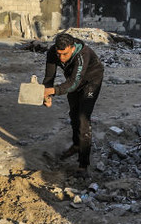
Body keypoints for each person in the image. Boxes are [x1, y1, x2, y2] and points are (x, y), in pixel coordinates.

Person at [42, 32, 104, 176]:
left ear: (71, 47)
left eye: (65, 54)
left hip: (91, 81)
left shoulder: (83, 54)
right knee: (73, 114)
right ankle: (77, 145)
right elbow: (49, 76)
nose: (61, 58)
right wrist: (47, 94)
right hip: (73, 81)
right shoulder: (53, 52)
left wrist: (53, 91)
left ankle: (83, 164)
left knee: (83, 118)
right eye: (59, 54)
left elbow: (73, 84)